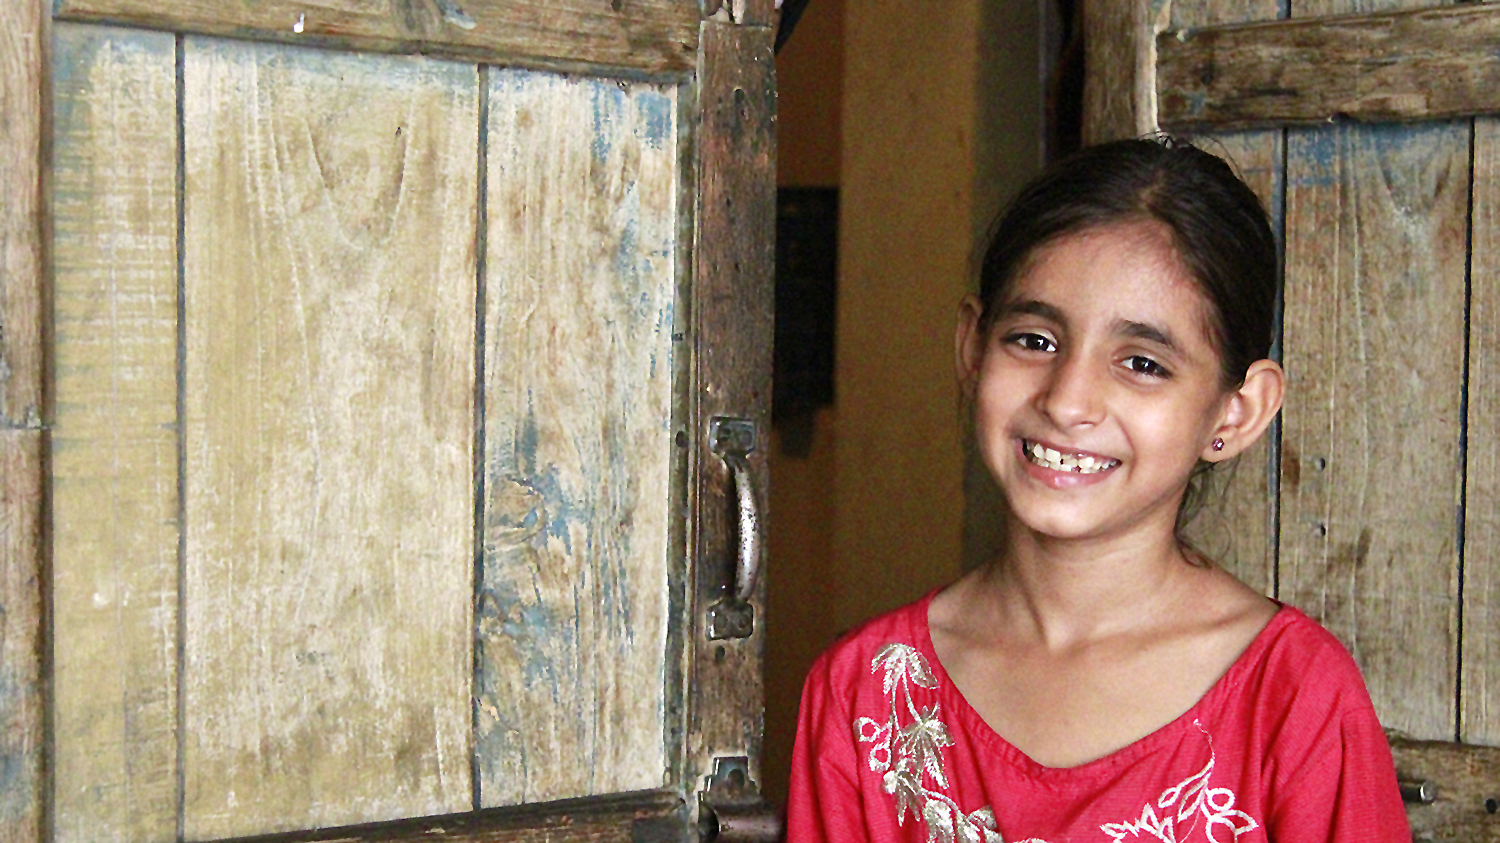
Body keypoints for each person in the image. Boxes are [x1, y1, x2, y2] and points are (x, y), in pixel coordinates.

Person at [784, 137, 1410, 843]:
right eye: (1034, 340)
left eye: (1141, 362)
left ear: (1236, 413)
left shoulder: (1294, 699)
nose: (1069, 400)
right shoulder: (864, 693)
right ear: (971, 347)